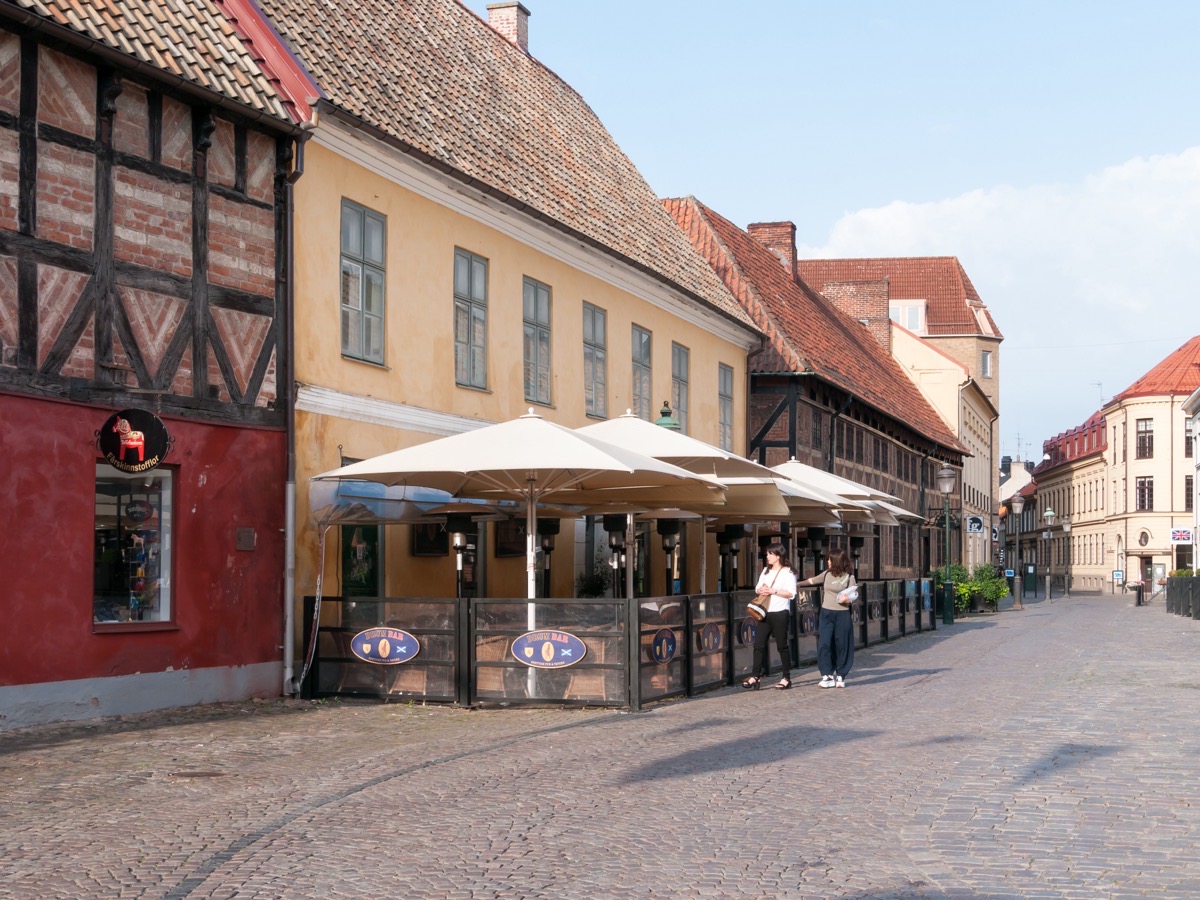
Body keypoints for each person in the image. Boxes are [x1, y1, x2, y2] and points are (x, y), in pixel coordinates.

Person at [797, 548, 857, 688]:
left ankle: (841, 674)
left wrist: (847, 599)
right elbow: (812, 580)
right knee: (824, 643)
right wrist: (799, 584)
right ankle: (827, 675)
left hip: (842, 614)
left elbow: (854, 596)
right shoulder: (826, 575)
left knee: (841, 644)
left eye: (830, 559)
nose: (828, 562)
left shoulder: (849, 577)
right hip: (826, 613)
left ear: (836, 561)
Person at [742, 543, 798, 691]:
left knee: (782, 646)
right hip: (764, 612)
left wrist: (773, 591)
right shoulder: (766, 571)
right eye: (767, 554)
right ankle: (755, 676)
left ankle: (786, 677)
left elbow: (791, 593)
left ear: (778, 556)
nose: (767, 556)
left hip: (780, 612)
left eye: (770, 554)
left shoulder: (788, 572)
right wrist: (761, 589)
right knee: (758, 644)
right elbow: (757, 587)